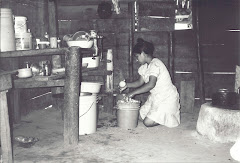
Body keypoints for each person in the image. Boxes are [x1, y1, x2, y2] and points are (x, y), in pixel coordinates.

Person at [120, 38, 180, 128]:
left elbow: (151, 85)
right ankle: (158, 115)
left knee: (147, 122)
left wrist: (132, 93)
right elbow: (140, 82)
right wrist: (127, 85)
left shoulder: (156, 64)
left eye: (137, 56)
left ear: (143, 54)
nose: (136, 60)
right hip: (155, 97)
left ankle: (167, 117)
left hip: (167, 97)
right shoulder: (144, 67)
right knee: (139, 116)